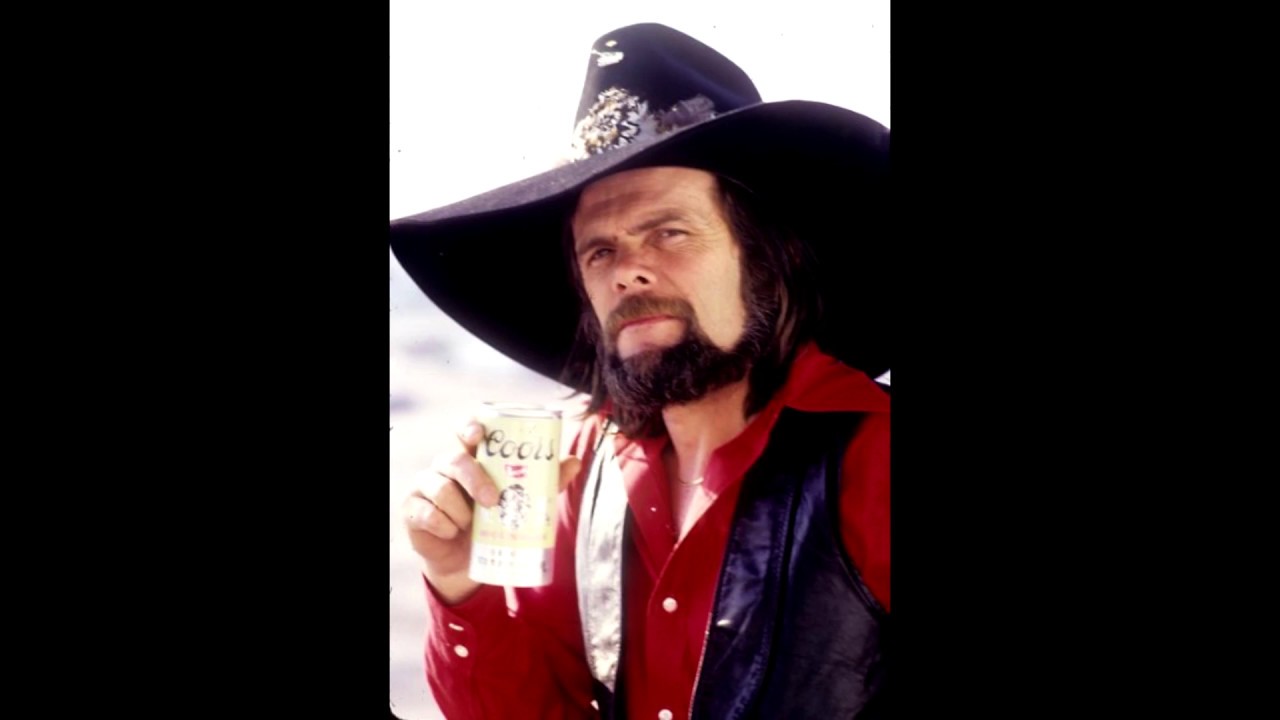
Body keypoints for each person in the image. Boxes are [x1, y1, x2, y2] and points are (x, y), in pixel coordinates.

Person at [389, 22, 890, 720]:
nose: (628, 271)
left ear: (767, 260)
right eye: (599, 252)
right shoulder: (579, 467)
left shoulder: (876, 461)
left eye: (669, 232)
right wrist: (458, 579)